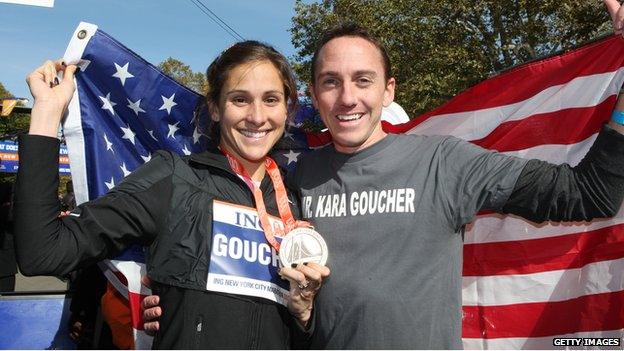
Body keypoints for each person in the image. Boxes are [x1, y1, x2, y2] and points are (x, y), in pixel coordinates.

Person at [142, 6, 624, 350]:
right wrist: (169, 302)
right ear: (313, 93)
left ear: (388, 89)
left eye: (363, 80)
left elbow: (588, 195)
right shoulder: (286, 178)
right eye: (331, 82)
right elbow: (230, 269)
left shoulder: (445, 162)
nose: (347, 97)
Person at [14, 40, 329, 349]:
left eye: (271, 99)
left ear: (288, 109)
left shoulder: (297, 201)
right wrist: (46, 114)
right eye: (240, 99)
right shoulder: (173, 179)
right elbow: (44, 251)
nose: (258, 117)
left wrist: (304, 316)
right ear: (215, 109)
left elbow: (303, 337)